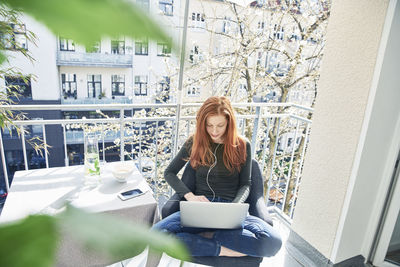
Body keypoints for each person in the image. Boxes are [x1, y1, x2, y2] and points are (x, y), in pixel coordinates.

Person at [153, 96, 282, 258]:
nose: (214, 131)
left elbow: (245, 185)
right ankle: (227, 251)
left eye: (220, 125)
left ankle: (204, 238)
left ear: (229, 122)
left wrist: (234, 207)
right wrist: (190, 197)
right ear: (203, 124)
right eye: (209, 125)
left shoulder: (242, 145)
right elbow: (169, 173)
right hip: (200, 209)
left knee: (273, 241)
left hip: (230, 210)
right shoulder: (195, 142)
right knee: (156, 234)